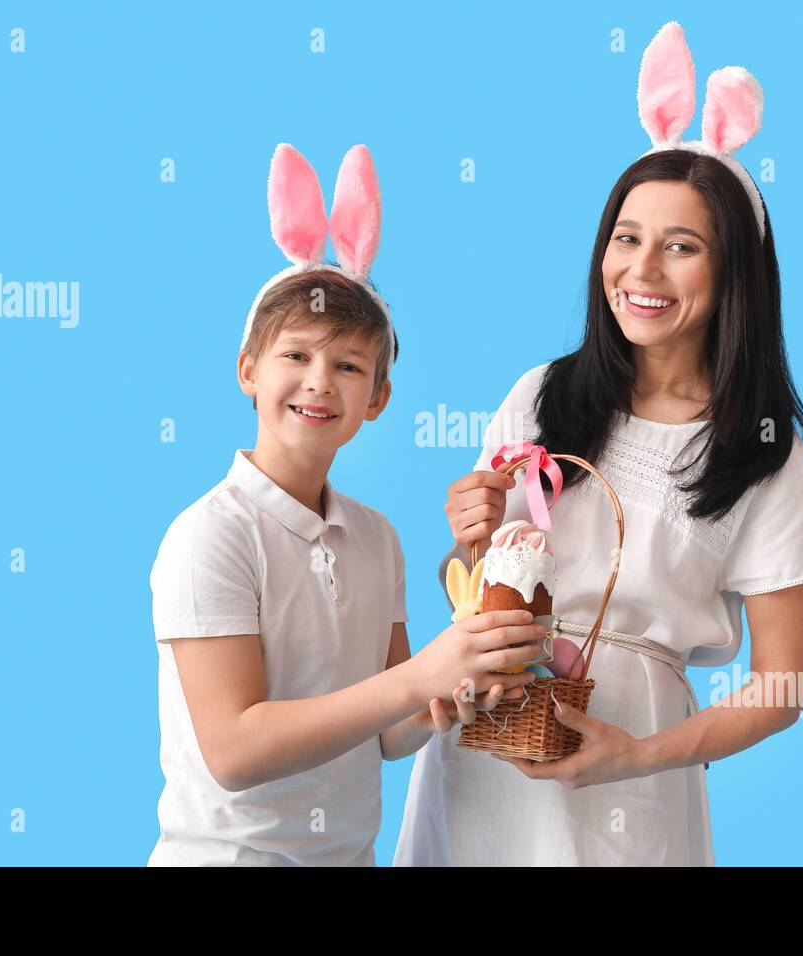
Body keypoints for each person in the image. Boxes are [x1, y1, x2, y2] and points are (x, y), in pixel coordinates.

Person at [393, 23, 803, 866]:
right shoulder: (541, 395)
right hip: (489, 741)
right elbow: (482, 585)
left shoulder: (768, 457)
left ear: (736, 271)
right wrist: (470, 532)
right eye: (627, 239)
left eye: (683, 247)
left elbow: (782, 686)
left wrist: (636, 755)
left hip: (633, 763)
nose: (642, 271)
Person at [148, 144, 540, 866]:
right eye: (295, 356)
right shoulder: (211, 537)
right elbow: (234, 749)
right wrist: (419, 676)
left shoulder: (377, 539)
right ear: (247, 370)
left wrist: (447, 692)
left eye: (349, 366)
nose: (319, 382)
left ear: (379, 399)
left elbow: (390, 733)